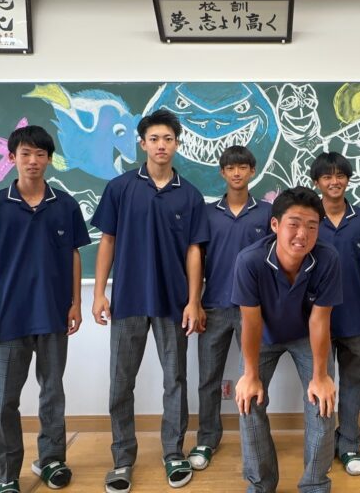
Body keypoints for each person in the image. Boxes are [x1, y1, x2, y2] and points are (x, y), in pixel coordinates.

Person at [0, 125, 91, 493]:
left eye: (40, 154)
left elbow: (74, 255)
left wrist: (76, 304)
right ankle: (7, 474)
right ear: (12, 158)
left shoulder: (64, 204)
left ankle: (51, 460)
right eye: (25, 154)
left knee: (52, 393)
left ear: (49, 159)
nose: (33, 161)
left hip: (53, 315)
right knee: (5, 400)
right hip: (6, 319)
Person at [91, 108, 210, 492]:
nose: (161, 145)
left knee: (175, 380)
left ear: (177, 144)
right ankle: (122, 459)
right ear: (142, 143)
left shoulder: (189, 195)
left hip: (173, 303)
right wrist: (98, 293)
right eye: (154, 139)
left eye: (168, 139)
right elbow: (107, 241)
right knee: (120, 382)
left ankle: (173, 453)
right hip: (127, 301)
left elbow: (194, 251)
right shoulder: (120, 188)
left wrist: (193, 300)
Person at [233, 187, 341, 493]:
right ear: (275, 225)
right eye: (294, 224)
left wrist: (320, 376)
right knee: (248, 399)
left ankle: (315, 484)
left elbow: (320, 320)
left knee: (322, 401)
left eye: (311, 226)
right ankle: (260, 484)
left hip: (306, 335)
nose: (302, 234)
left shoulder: (328, 259)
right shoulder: (249, 261)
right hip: (264, 335)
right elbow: (251, 321)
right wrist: (250, 375)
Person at [189, 145, 272, 472]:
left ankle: (255, 438)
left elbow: (275, 261)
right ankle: (207, 438)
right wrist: (195, 301)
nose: (237, 173)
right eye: (231, 168)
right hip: (214, 306)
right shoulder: (208, 213)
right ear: (222, 172)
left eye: (243, 167)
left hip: (253, 310)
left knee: (254, 376)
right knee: (208, 378)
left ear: (253, 171)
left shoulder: (267, 213)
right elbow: (197, 258)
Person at [309, 152, 360, 477]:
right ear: (317, 182)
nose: (334, 181)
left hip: (355, 318)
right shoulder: (309, 220)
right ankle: (324, 446)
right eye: (327, 176)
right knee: (321, 387)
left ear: (348, 179)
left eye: (340, 175)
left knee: (353, 385)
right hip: (318, 321)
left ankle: (350, 443)